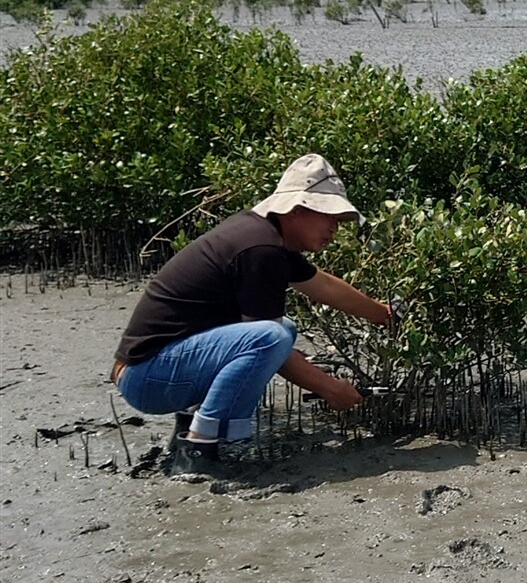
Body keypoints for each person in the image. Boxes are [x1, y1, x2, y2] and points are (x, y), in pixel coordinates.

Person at [110, 154, 393, 477]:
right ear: (297, 209)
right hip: (146, 378)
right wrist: (331, 389)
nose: (334, 227)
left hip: (152, 370)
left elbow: (324, 287)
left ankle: (191, 428)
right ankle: (201, 450)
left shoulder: (266, 237)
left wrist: (383, 314)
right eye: (327, 215)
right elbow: (270, 348)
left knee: (283, 330)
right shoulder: (261, 249)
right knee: (272, 336)